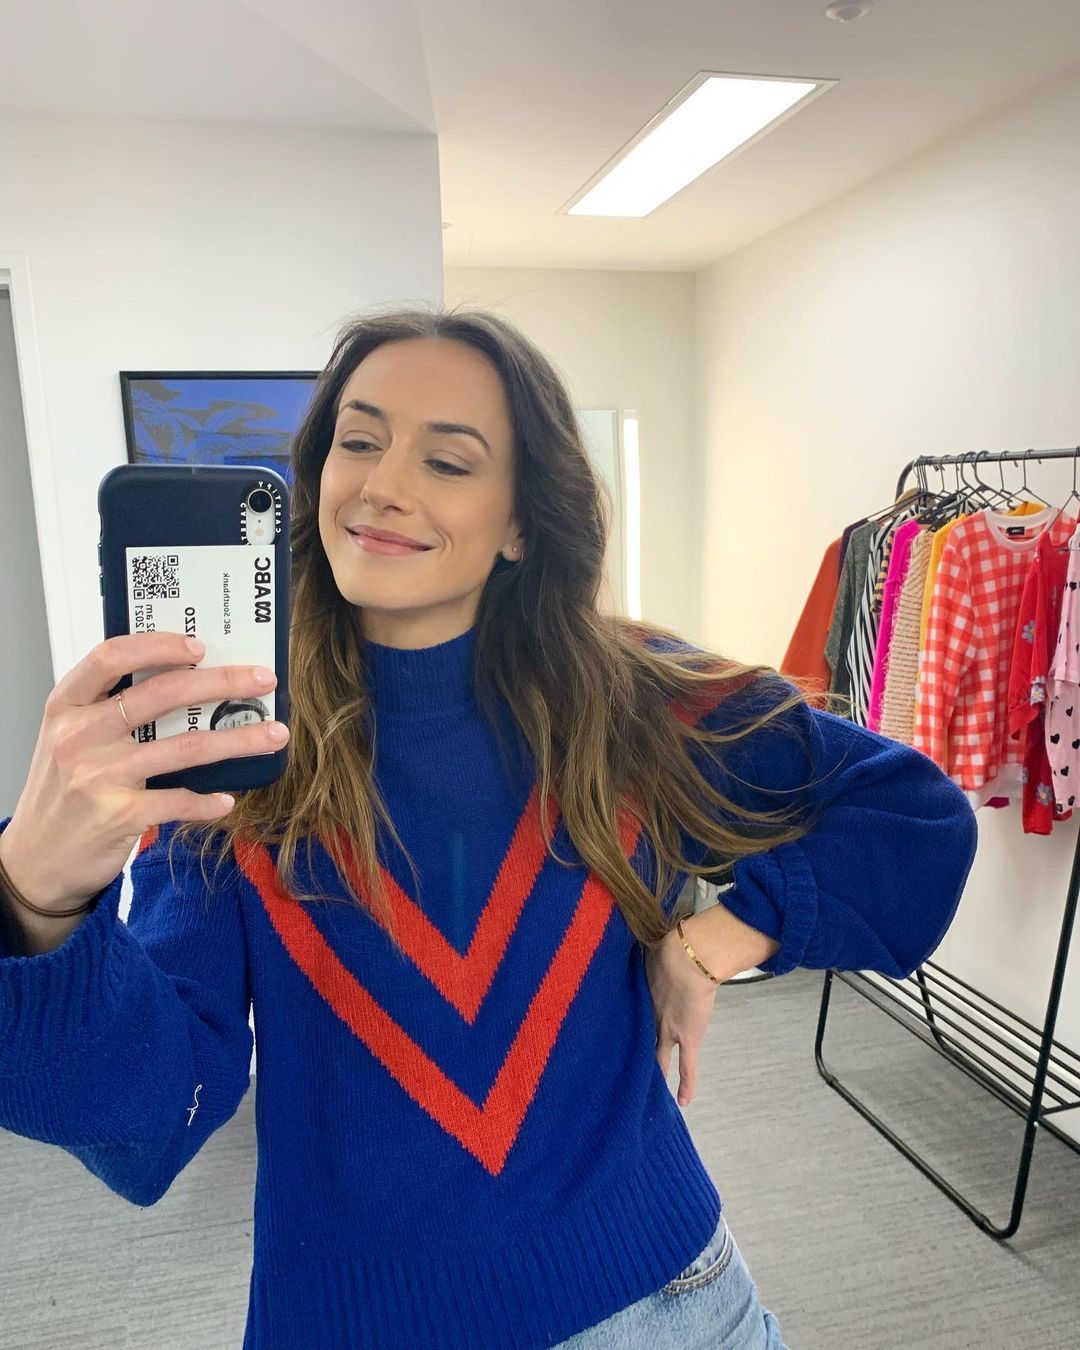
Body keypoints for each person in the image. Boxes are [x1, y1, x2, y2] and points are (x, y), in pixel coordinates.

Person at [0, 306, 978, 1349]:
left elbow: (914, 819)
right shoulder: (234, 757)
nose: (382, 484)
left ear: (521, 522)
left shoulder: (636, 702)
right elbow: (155, 1118)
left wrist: (719, 940)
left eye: (448, 460)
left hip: (665, 1307)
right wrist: (36, 898)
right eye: (358, 441)